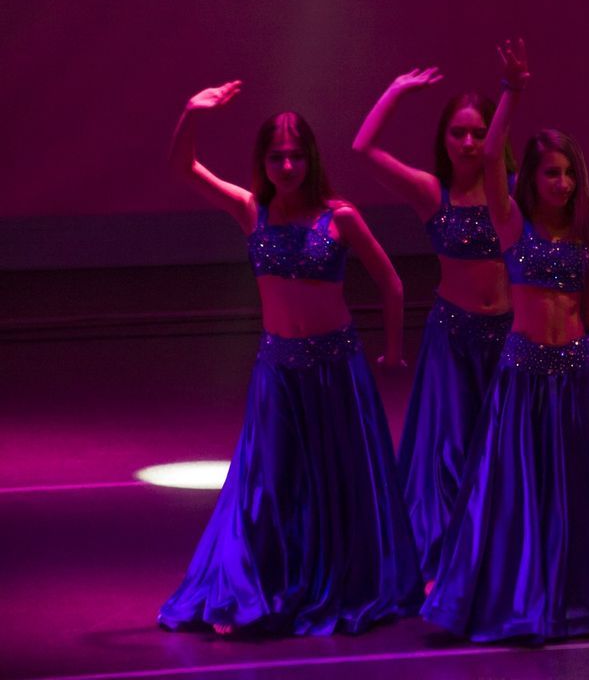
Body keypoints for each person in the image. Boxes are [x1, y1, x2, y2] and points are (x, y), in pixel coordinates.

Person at [422, 40, 589, 642]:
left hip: (575, 373)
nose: (561, 182)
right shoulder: (512, 224)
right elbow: (487, 161)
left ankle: (584, 593)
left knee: (582, 490)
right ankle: (517, 596)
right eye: (550, 172)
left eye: (568, 173)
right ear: (530, 178)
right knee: (516, 491)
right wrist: (512, 91)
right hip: (523, 375)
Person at [158, 82, 422, 635]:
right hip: (278, 372)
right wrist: (191, 111)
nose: (286, 165)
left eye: (296, 156)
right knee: (270, 485)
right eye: (276, 156)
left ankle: (342, 581)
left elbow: (392, 283)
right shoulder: (250, 211)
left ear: (311, 159)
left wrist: (394, 351)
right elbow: (183, 168)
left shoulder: (339, 217)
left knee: (338, 482)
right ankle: (262, 586)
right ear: (263, 160)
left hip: (336, 371)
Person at [352, 70, 515, 586]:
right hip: (452, 338)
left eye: (478, 132)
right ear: (443, 139)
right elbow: (364, 149)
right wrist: (396, 90)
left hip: (508, 336)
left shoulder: (512, 193)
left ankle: (498, 555)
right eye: (457, 133)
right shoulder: (432, 192)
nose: (468, 142)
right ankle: (447, 559)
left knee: (502, 448)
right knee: (447, 456)